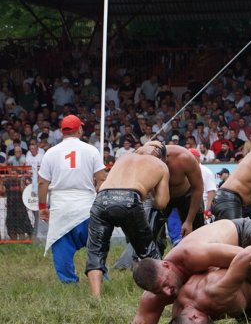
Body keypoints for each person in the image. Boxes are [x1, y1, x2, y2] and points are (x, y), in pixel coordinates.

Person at [84, 140, 170, 297]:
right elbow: (162, 203)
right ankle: (156, 294)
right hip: (130, 199)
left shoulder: (123, 158)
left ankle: (96, 298)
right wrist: (149, 192)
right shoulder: (161, 166)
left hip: (102, 199)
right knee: (148, 252)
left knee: (96, 251)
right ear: (162, 156)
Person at [113, 142, 208, 268]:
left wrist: (189, 221)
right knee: (148, 231)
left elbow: (198, 189)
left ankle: (200, 264)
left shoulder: (184, 158)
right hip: (160, 197)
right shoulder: (141, 158)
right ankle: (149, 265)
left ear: (165, 158)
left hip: (187, 196)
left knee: (198, 234)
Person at [37, 115, 107, 284]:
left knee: (62, 247)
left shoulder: (51, 152)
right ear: (79, 129)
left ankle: (69, 282)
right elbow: (102, 179)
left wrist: (42, 207)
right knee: (96, 246)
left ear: (63, 131)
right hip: (86, 206)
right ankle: (101, 278)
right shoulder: (91, 150)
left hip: (61, 206)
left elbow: (42, 182)